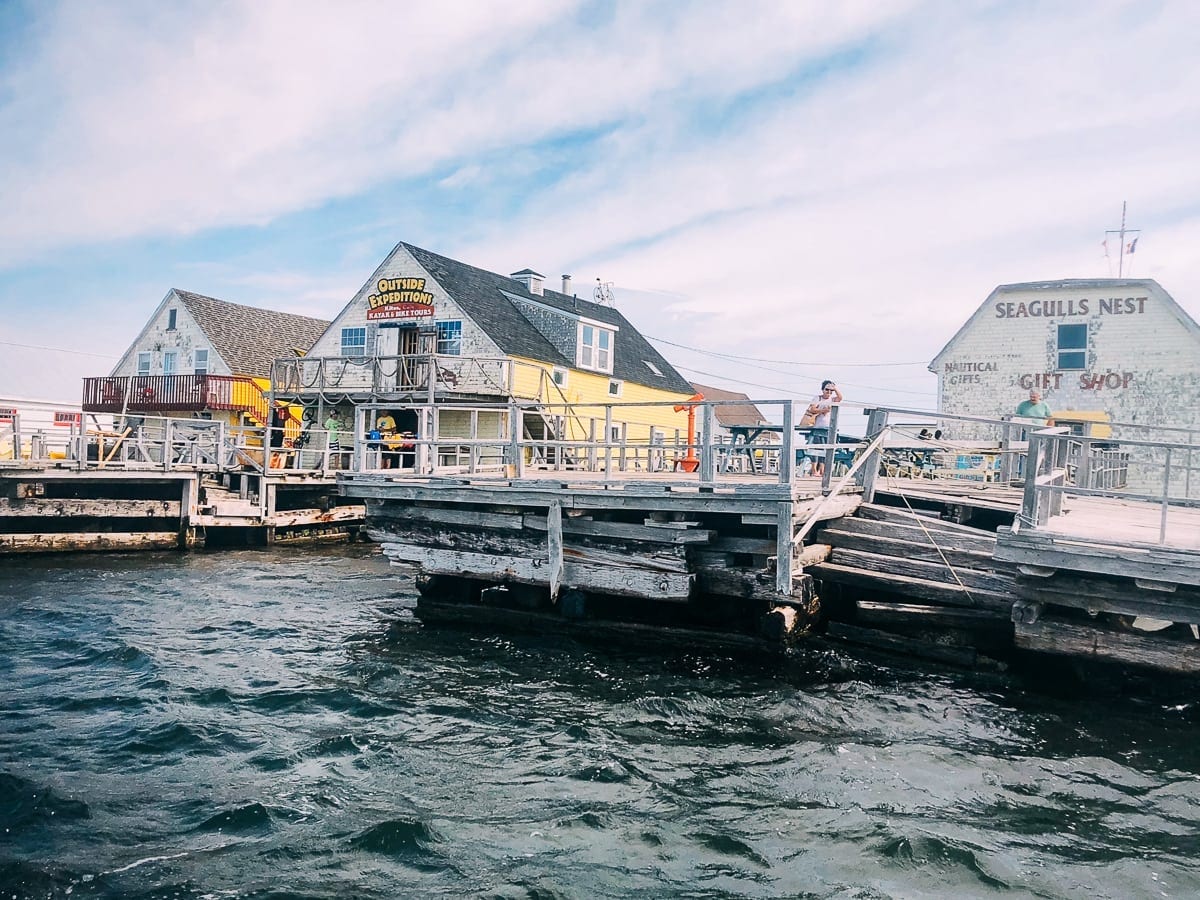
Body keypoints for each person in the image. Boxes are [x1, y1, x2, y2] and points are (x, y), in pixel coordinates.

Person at [805, 380, 843, 477]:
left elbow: (840, 397)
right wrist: (823, 410)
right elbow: (812, 409)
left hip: (829, 428)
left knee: (826, 449)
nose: (829, 392)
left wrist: (835, 388)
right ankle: (814, 470)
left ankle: (822, 470)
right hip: (817, 426)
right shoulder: (817, 398)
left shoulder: (832, 399)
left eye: (831, 390)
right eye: (827, 389)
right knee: (815, 448)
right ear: (822, 390)